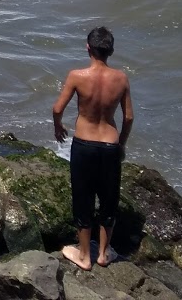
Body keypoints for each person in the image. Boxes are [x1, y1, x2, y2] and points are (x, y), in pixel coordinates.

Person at [52, 27, 134, 271]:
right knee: (108, 200)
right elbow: (128, 117)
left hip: (84, 145)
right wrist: (121, 144)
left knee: (83, 198)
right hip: (110, 145)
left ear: (88, 48)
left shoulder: (77, 76)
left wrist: (58, 128)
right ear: (111, 51)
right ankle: (104, 253)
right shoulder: (121, 79)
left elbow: (57, 109)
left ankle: (85, 255)